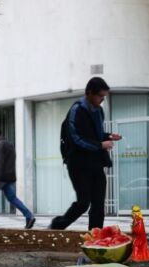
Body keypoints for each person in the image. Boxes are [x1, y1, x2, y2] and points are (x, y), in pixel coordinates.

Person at [50, 77, 122, 230]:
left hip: (95, 163)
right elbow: (76, 138)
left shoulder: (99, 111)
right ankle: (56, 226)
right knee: (83, 202)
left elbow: (95, 135)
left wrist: (108, 136)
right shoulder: (77, 110)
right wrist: (100, 144)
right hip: (78, 164)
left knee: (98, 204)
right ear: (89, 93)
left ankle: (96, 237)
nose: (102, 100)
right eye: (100, 96)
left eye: (103, 97)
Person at [0, 127, 35, 229]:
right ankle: (29, 216)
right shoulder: (9, 144)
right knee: (12, 198)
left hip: (0, 178)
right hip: (9, 178)